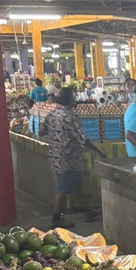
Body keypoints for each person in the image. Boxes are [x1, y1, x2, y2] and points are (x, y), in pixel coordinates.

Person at [43, 86, 101, 227]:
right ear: (69, 100)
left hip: (56, 157)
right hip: (68, 158)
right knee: (63, 189)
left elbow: (41, 130)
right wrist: (99, 151)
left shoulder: (52, 113)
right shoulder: (69, 116)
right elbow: (82, 138)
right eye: (73, 97)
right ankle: (56, 219)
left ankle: (86, 210)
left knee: (75, 184)